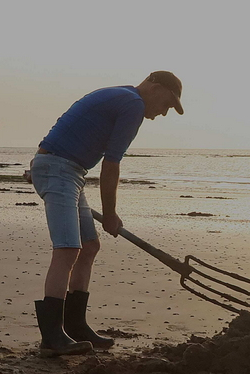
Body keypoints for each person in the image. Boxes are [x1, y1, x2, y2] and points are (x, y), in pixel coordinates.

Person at [28, 71, 183, 357]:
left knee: (89, 246)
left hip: (64, 169)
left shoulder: (120, 94)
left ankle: (75, 327)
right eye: (167, 104)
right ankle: (51, 338)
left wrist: (42, 160)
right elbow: (111, 164)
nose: (163, 112)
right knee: (67, 249)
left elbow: (70, 129)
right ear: (155, 87)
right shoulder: (133, 104)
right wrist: (110, 213)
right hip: (60, 169)